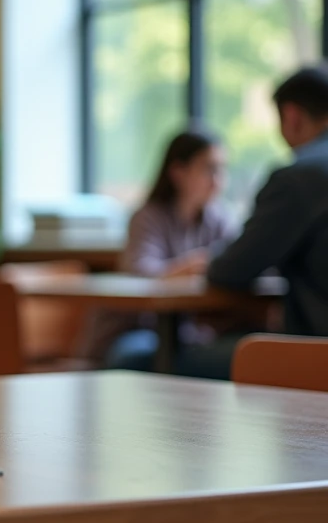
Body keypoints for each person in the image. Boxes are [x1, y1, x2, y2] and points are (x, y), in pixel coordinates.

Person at [93, 129, 238, 371]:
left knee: (242, 350)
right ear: (178, 172)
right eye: (209, 169)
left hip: (188, 334)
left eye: (222, 169)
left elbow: (235, 262)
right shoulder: (147, 217)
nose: (218, 180)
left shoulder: (219, 219)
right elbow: (140, 272)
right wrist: (195, 265)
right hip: (139, 330)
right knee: (133, 355)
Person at [207, 65, 328, 338]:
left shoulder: (300, 177)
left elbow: (232, 269)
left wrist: (206, 262)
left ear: (292, 116)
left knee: (145, 359)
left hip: (316, 356)